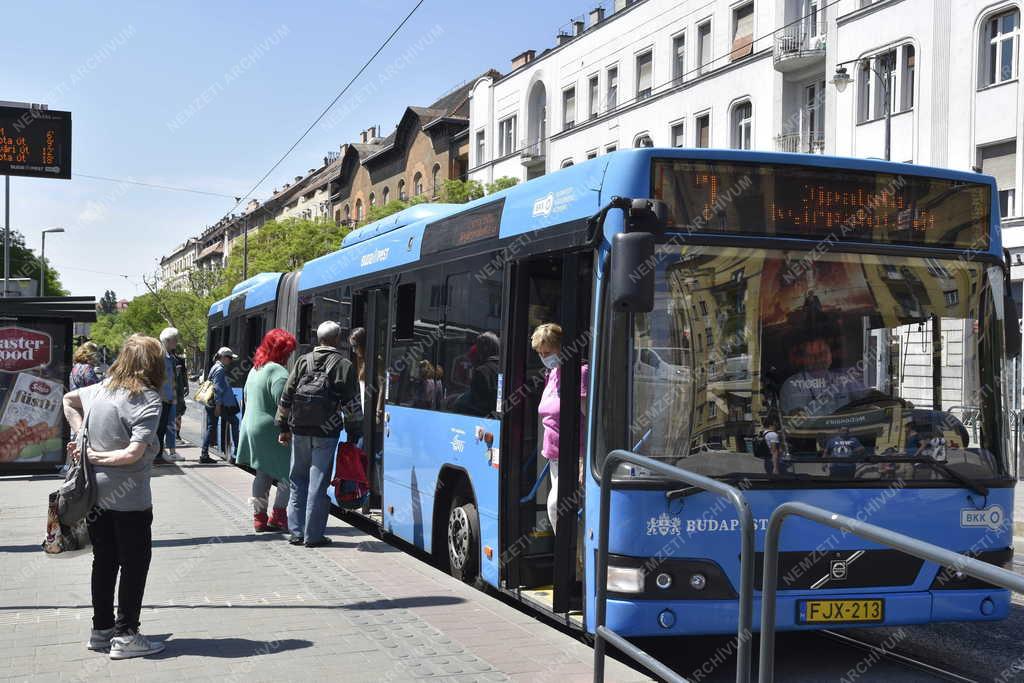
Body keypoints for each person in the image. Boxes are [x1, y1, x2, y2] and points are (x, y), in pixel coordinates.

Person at [62, 334, 166, 659]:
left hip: (95, 495)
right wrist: (94, 455)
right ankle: (125, 636)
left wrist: (80, 437)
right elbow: (133, 454)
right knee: (135, 564)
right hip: (130, 498)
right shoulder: (148, 398)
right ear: (153, 364)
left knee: (104, 561)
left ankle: (101, 631)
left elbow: (67, 400)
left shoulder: (100, 389)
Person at [276, 321, 362, 547]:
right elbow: (352, 404)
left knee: (298, 479)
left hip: (300, 430)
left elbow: (287, 396)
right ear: (337, 339)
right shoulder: (344, 365)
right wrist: (354, 433)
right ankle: (313, 536)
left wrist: (283, 427)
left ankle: (296, 532)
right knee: (318, 483)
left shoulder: (303, 361)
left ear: (318, 338)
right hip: (326, 433)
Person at [236, 329, 297, 532]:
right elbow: (285, 405)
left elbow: (245, 397)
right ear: (281, 351)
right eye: (287, 352)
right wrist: (286, 430)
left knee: (263, 473)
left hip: (251, 426)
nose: (289, 356)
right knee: (288, 474)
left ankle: (259, 518)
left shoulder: (256, 369)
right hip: (272, 429)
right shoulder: (278, 373)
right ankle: (279, 516)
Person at [532, 323, 588, 533]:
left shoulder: (580, 373)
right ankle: (573, 560)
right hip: (554, 458)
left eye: (547, 352)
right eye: (540, 353)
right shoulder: (552, 374)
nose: (543, 357)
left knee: (556, 506)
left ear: (562, 348)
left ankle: (573, 561)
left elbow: (590, 418)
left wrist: (584, 460)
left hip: (575, 458)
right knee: (561, 509)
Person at [200, 347, 240, 464]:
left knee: (211, 426)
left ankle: (204, 454)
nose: (231, 361)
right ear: (223, 357)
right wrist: (218, 406)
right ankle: (236, 452)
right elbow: (217, 389)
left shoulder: (215, 367)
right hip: (218, 404)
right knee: (234, 422)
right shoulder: (220, 369)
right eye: (229, 358)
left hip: (212, 402)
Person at [155, 328, 180, 464]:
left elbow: (171, 380)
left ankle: (159, 454)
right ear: (167, 341)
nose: (177, 342)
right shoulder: (161, 357)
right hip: (161, 398)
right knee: (159, 428)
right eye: (175, 340)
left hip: (167, 398)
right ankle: (157, 455)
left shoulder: (169, 357)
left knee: (163, 427)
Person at [173, 351, 189, 446]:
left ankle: (177, 435)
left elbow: (184, 374)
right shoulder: (161, 359)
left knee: (178, 414)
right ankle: (174, 435)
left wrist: (186, 386)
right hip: (169, 392)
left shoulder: (180, 360)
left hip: (178, 392)